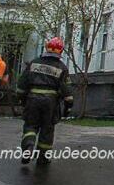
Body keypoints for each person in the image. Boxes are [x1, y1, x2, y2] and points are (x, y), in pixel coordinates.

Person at [16, 37, 73, 165]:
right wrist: (68, 106)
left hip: (32, 99)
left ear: (46, 48)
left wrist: (20, 98)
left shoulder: (34, 63)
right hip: (50, 103)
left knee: (30, 125)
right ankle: (43, 157)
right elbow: (66, 90)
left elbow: (22, 83)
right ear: (60, 51)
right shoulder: (62, 67)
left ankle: (28, 146)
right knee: (47, 129)